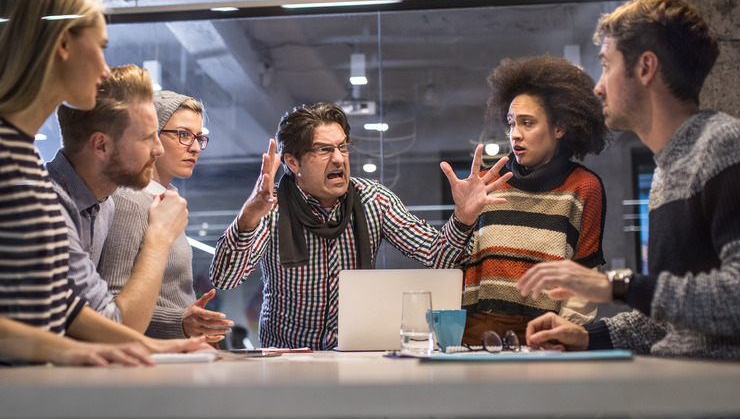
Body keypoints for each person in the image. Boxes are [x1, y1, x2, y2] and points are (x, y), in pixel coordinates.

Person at [517, 0, 740, 362]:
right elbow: (670, 320)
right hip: (682, 380)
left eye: (606, 65)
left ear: (645, 67)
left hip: (729, 387)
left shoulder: (730, 146)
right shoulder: (667, 172)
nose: (598, 87)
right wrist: (586, 336)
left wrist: (618, 285)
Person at [0, 0, 206, 366]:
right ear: (63, 44)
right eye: (100, 47)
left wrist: (150, 346)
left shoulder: (22, 153)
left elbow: (60, 302)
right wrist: (67, 350)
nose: (104, 68)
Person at [210, 102, 513, 349]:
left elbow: (439, 257)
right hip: (287, 362)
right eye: (324, 150)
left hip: (354, 357)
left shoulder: (373, 200)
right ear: (293, 162)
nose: (338, 159)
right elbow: (225, 278)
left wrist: (463, 218)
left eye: (342, 147)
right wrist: (249, 216)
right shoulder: (271, 207)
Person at [460, 55, 608, 346]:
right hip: (477, 334)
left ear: (559, 128)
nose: (515, 134)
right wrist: (460, 219)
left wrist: (565, 335)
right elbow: (454, 262)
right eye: (511, 123)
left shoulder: (583, 187)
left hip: (543, 336)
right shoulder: (488, 183)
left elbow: (584, 274)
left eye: (527, 123)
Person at [98, 90, 234, 342]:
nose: (195, 147)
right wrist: (179, 322)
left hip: (175, 353)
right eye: (184, 135)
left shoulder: (164, 198)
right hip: (149, 357)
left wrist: (191, 325)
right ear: (151, 136)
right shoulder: (129, 200)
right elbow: (113, 307)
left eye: (199, 137)